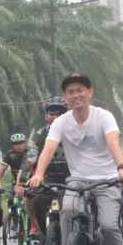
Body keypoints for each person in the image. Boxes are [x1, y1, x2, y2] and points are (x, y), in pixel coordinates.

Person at [28, 73, 123, 245]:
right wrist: (38, 174)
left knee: (108, 226)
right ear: (65, 97)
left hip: (107, 180)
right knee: (67, 210)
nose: (76, 95)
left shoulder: (104, 116)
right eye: (70, 92)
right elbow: (48, 148)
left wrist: (121, 168)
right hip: (77, 180)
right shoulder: (61, 122)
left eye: (80, 90)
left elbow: (113, 142)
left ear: (89, 93)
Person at [27, 97, 71, 237]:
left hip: (73, 178)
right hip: (49, 178)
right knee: (35, 200)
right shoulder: (40, 135)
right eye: (52, 114)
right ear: (46, 116)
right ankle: (44, 234)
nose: (55, 117)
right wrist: (23, 181)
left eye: (60, 113)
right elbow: (30, 158)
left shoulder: (75, 131)